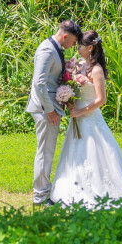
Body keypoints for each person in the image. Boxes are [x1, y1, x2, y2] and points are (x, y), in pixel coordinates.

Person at [50, 29, 122, 208]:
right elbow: (73, 87)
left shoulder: (96, 70)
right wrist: (69, 100)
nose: (78, 49)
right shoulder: (78, 65)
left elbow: (101, 100)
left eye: (81, 46)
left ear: (91, 47)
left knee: (96, 154)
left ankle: (100, 189)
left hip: (90, 118)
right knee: (74, 154)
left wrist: (81, 111)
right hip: (76, 118)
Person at [26, 18, 82, 206]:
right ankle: (40, 196)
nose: (73, 45)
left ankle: (44, 191)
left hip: (50, 106)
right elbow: (39, 83)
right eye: (73, 41)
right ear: (65, 36)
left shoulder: (56, 48)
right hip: (44, 108)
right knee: (45, 151)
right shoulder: (46, 49)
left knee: (48, 150)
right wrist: (50, 111)